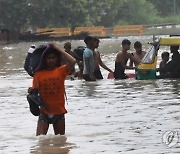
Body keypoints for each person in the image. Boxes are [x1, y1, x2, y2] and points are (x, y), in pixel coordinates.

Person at [28, 43, 76, 136]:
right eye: (48, 58)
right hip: (44, 112)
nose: (51, 60)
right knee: (40, 140)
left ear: (57, 59)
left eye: (53, 57)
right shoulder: (38, 75)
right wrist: (31, 91)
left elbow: (73, 61)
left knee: (61, 142)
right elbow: (35, 92)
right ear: (44, 60)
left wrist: (58, 49)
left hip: (59, 112)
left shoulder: (61, 71)